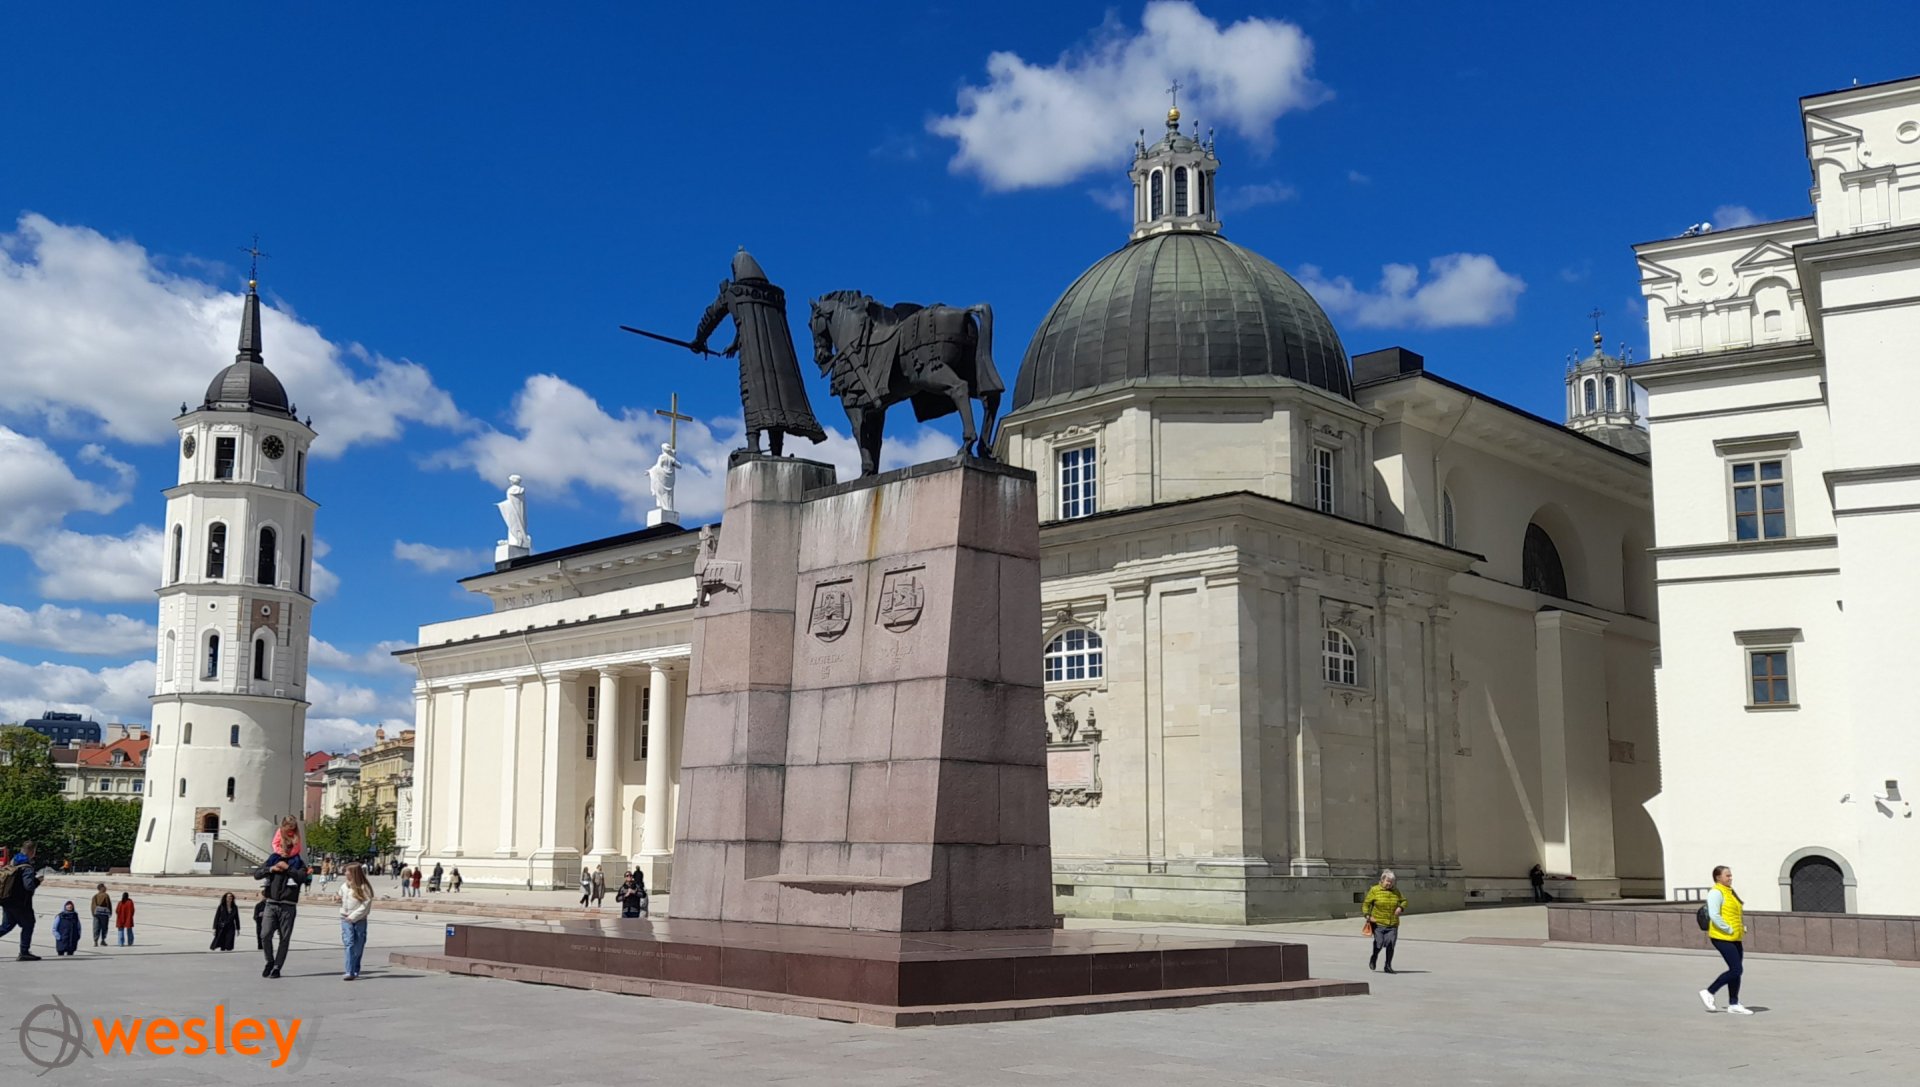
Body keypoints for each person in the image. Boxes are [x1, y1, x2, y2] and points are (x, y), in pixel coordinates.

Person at [1699, 865, 1753, 1014]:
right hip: (1722, 937)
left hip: (1734, 936)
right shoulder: (1716, 892)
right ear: (1718, 877)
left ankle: (1733, 1003)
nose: (1730, 878)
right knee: (1736, 969)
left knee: (1736, 971)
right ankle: (1709, 991)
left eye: (1730, 875)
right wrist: (1728, 929)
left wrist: (1740, 928)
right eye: (1727, 875)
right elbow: (1714, 915)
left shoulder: (1729, 892)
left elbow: (1733, 914)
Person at [253, 851, 313, 979]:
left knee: (284, 938)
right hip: (271, 903)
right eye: (282, 846)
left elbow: (302, 878)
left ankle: (277, 967)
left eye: (288, 847)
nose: (284, 850)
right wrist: (271, 869)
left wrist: (288, 868)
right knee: (265, 934)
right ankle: (270, 961)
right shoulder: (273, 859)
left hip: (288, 905)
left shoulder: (298, 862)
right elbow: (257, 874)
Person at [0, 839, 43, 960]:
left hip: (7, 900)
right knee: (29, 924)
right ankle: (24, 952)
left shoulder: (13, 861)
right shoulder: (27, 867)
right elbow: (28, 886)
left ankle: (24, 952)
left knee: (7, 926)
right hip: (20, 903)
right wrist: (37, 881)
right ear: (31, 851)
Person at [1361, 869, 1409, 974]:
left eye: (1392, 882)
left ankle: (1388, 966)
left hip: (1393, 923)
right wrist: (1368, 916)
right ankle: (1374, 957)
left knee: (1390, 944)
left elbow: (1404, 901)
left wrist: (1400, 907)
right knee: (1379, 943)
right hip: (1378, 922)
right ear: (1382, 880)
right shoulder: (1374, 890)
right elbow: (1366, 904)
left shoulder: (1396, 891)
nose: (1390, 884)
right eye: (1388, 881)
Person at [339, 862, 374, 980]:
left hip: (360, 920)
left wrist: (353, 917)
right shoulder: (344, 886)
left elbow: (366, 905)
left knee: (358, 945)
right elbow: (341, 898)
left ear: (353, 873)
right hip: (345, 918)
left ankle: (355, 968)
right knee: (349, 943)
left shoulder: (363, 887)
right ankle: (349, 971)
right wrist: (337, 899)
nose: (345, 873)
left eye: (347, 871)